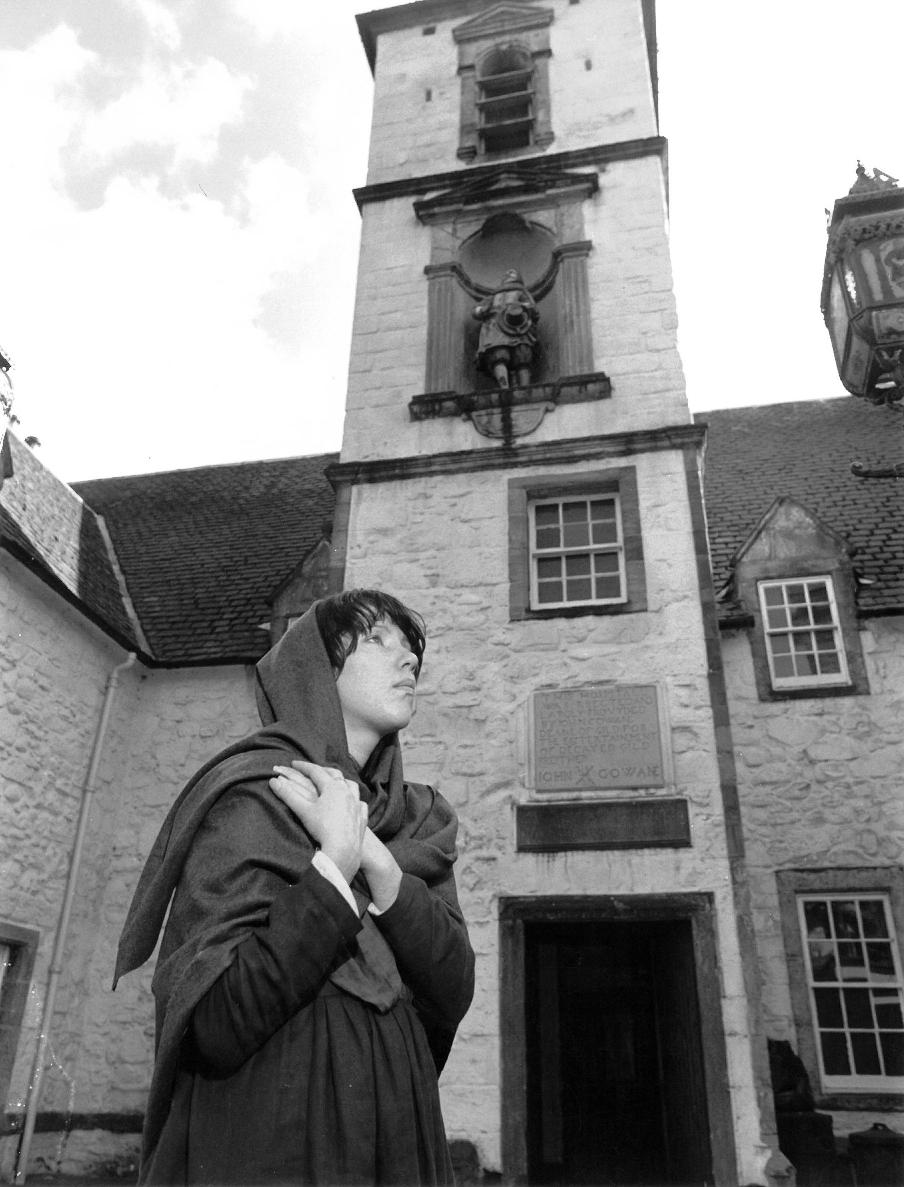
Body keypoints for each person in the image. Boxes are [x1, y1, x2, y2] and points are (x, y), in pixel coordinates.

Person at [114, 589, 475, 1185]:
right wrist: (334, 864)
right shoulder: (255, 795)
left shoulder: (419, 820)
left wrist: (375, 858)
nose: (409, 658)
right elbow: (217, 1022)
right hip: (274, 1129)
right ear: (316, 671)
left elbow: (454, 988)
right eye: (377, 640)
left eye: (411, 648)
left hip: (400, 1137)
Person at [472, 267, 539, 389]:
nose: (508, 273)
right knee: (498, 355)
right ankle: (504, 387)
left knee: (522, 357)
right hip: (495, 327)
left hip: (517, 328)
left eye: (512, 272)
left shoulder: (521, 292)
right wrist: (482, 310)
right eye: (507, 273)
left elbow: (533, 309)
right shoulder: (494, 295)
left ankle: (524, 388)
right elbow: (477, 310)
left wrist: (519, 307)